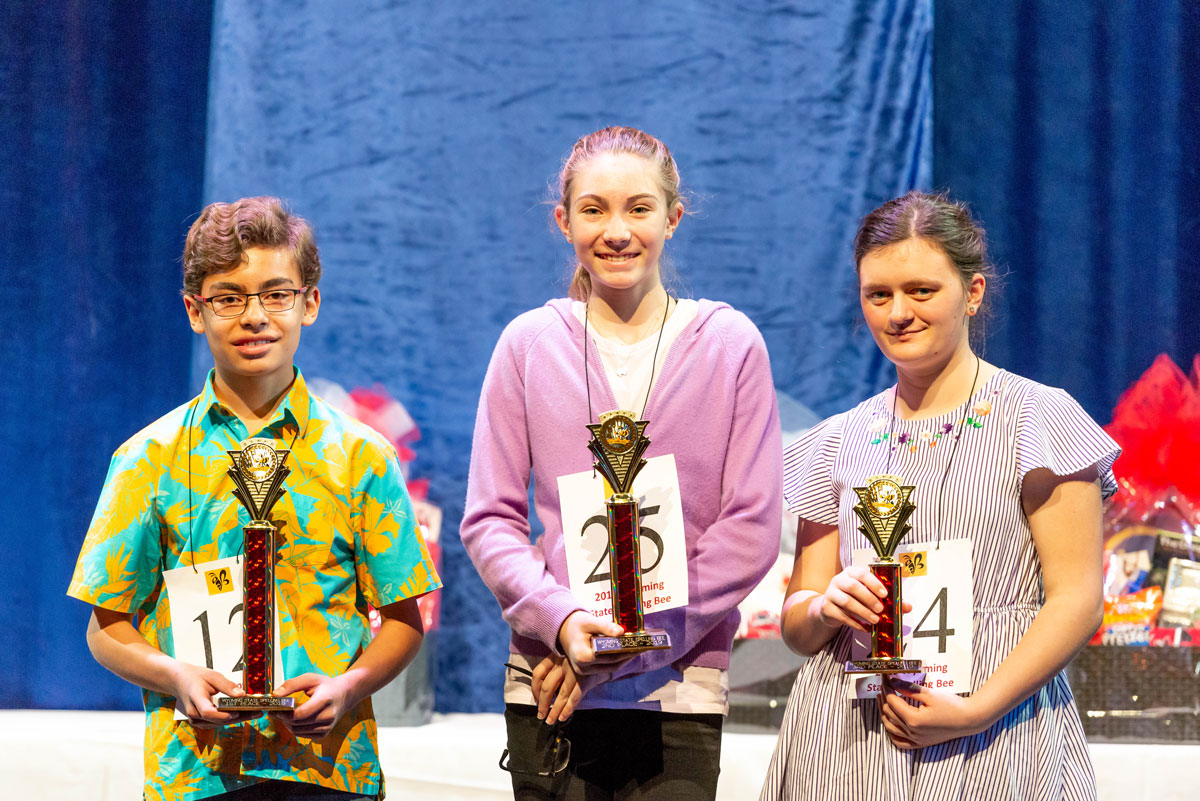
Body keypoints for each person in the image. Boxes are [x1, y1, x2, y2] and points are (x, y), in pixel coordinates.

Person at [67, 197, 441, 800]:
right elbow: (106, 625)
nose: (254, 316)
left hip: (330, 768)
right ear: (195, 311)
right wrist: (174, 674)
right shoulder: (148, 458)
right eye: (228, 298)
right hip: (195, 771)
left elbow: (403, 618)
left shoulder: (362, 457)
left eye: (275, 293)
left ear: (309, 303)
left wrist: (349, 687)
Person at [760, 191, 1120, 800]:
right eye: (879, 295)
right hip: (846, 744)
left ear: (973, 293)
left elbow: (1078, 601)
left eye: (921, 290)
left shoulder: (1038, 420)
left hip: (999, 734)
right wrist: (825, 607)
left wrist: (978, 709)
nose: (898, 312)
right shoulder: (835, 442)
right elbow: (799, 624)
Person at [460, 126, 782, 800]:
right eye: (593, 209)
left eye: (638, 208)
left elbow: (749, 529)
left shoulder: (730, 345)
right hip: (551, 685)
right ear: (563, 220)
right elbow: (489, 520)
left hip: (678, 690)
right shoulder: (526, 346)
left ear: (673, 216)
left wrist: (617, 653)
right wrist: (564, 622)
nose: (616, 230)